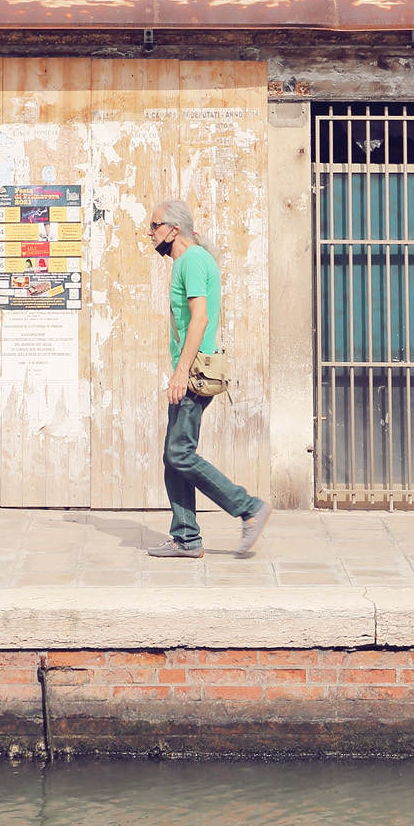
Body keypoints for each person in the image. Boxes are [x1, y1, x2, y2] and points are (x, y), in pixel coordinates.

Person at [146, 199, 270, 561]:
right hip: (191, 367)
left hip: (195, 370)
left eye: (154, 226)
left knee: (179, 453)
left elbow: (198, 319)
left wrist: (180, 373)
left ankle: (248, 507)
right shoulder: (188, 261)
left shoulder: (193, 261)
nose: (149, 233)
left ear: (174, 230)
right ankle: (186, 538)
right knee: (174, 457)